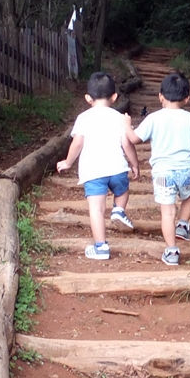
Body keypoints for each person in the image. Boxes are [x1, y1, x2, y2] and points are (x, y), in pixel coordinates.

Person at [56, 72, 140, 260]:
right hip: (118, 168)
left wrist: (68, 162)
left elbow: (77, 144)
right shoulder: (119, 117)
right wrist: (134, 164)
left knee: (96, 210)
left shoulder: (84, 118)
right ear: (114, 97)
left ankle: (101, 247)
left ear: (88, 98)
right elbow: (127, 145)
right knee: (123, 191)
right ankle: (119, 210)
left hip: (93, 172)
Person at [131, 72, 190, 265]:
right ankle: (183, 224)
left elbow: (134, 139)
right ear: (187, 98)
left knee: (167, 213)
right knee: (189, 195)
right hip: (186, 170)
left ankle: (172, 251)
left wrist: (126, 126)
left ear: (160, 96)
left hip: (163, 173)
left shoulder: (153, 118)